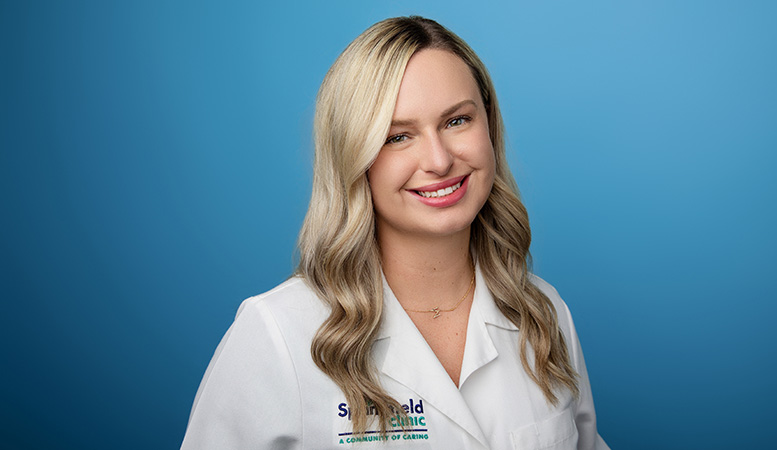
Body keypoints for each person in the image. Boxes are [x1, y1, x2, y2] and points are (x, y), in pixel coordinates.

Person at [181, 16, 609, 450]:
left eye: (457, 121)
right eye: (398, 136)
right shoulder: (277, 335)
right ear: (355, 157)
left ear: (489, 126)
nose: (439, 160)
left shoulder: (544, 314)